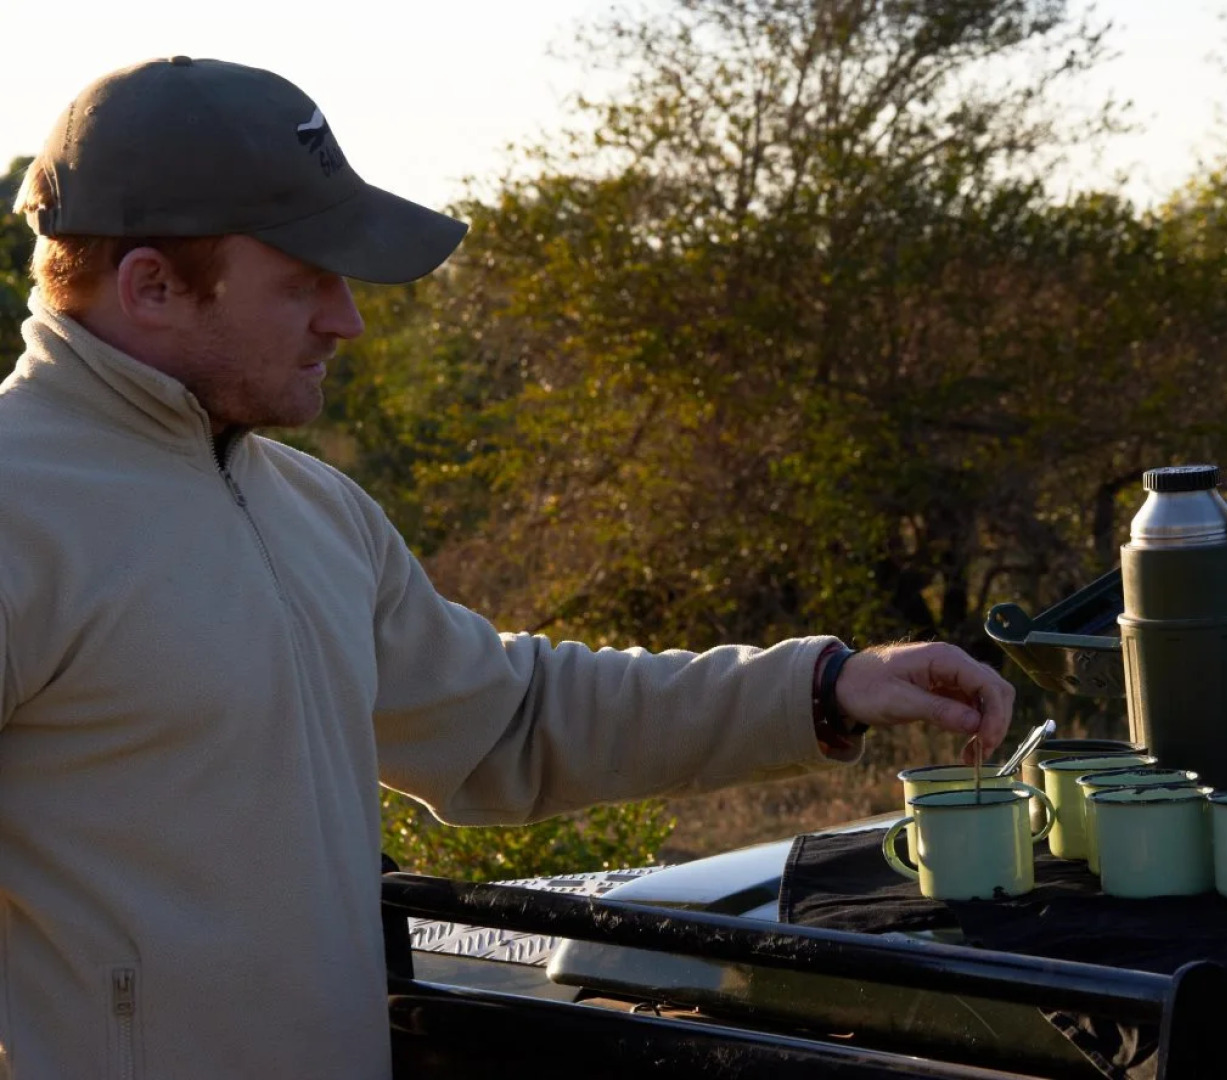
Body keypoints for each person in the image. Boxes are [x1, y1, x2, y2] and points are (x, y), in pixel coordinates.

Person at [0, 57, 1015, 1078]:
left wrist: (826, 687)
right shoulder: (19, 508)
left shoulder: (314, 508)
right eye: (306, 280)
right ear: (152, 285)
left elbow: (506, 722)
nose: (346, 320)